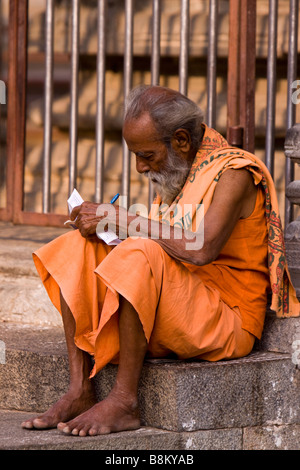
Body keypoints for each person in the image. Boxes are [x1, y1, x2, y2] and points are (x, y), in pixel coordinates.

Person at [21, 85, 299, 437]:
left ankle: (124, 401)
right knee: (76, 247)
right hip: (177, 307)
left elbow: (201, 249)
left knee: (142, 252)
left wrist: (120, 219)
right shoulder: (181, 169)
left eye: (147, 155)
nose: (139, 167)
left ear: (181, 140)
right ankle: (79, 389)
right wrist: (109, 230)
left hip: (227, 320)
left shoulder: (235, 173)